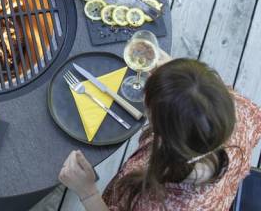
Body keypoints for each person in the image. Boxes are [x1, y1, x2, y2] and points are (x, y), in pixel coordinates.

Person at [58, 59, 261, 210]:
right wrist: (174, 80)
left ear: (164, 130)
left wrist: (88, 192)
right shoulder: (237, 110)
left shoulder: (158, 202)